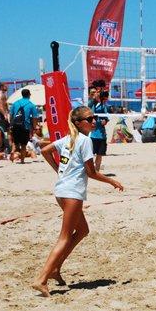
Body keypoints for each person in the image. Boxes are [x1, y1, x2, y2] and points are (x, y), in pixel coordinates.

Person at [33, 106, 123, 297]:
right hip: (72, 192)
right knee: (65, 237)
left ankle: (56, 269)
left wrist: (58, 169)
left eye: (94, 118)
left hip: (61, 190)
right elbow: (91, 172)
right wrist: (111, 181)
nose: (93, 122)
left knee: (82, 230)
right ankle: (41, 279)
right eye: (89, 119)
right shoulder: (84, 141)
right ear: (78, 122)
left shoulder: (69, 139)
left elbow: (45, 150)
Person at [9, 88, 39, 164]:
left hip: (15, 125)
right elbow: (35, 117)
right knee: (23, 144)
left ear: (22, 94)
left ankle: (12, 151)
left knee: (15, 142)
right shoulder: (31, 105)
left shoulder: (15, 103)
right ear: (29, 95)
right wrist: (34, 127)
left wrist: (11, 124)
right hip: (25, 126)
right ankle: (22, 160)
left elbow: (11, 115)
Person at [88, 84, 109, 171]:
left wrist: (105, 121)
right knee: (90, 155)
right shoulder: (90, 104)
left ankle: (97, 171)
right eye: (92, 93)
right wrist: (95, 97)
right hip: (92, 134)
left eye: (96, 93)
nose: (95, 94)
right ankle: (91, 170)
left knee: (99, 154)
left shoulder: (103, 105)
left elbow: (106, 117)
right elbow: (89, 108)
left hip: (101, 135)